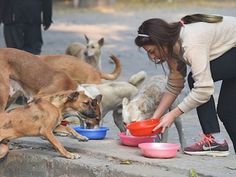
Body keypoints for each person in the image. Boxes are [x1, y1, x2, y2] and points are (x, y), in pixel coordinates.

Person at [135, 14, 236, 157]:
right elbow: (174, 85)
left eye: (152, 51)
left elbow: (203, 90)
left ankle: (214, 141)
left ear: (161, 42)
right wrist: (155, 119)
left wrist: (172, 114)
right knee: (228, 112)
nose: (152, 57)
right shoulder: (171, 46)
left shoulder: (191, 43)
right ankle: (217, 141)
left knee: (196, 80)